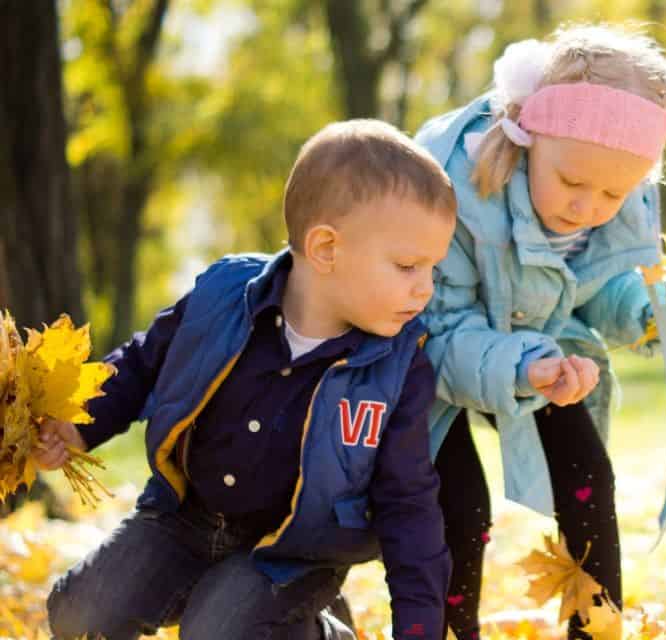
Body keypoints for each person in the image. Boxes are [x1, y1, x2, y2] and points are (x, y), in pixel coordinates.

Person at [39, 119, 456, 640]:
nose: (426, 289)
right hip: (183, 520)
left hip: (293, 554)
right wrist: (79, 422)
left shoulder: (400, 366)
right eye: (408, 266)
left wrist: (419, 629)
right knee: (80, 616)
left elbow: (407, 504)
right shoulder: (222, 298)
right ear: (326, 248)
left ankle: (316, 632)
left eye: (432, 270)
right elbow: (144, 362)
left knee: (216, 630)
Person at [415, 24, 666, 639]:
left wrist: (653, 314)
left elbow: (600, 287)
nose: (588, 207)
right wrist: (519, 364)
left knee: (587, 474)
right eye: (572, 183)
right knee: (458, 506)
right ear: (530, 136)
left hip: (538, 350)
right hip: (429, 360)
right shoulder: (454, 191)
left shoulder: (613, 210)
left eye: (612, 193)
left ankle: (594, 630)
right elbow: (437, 323)